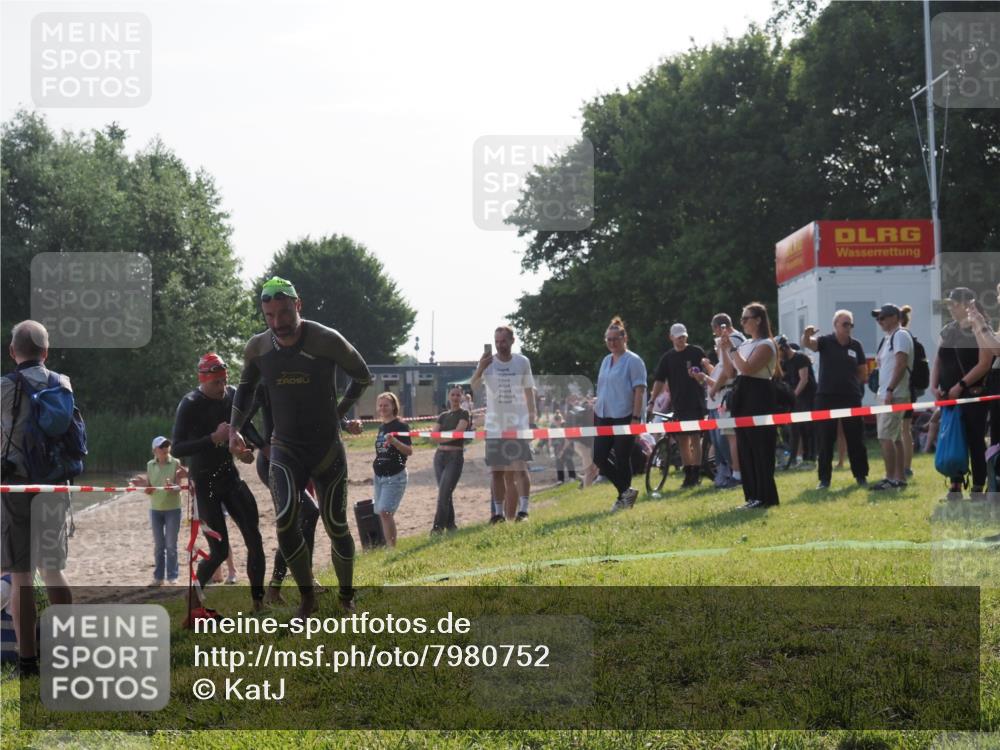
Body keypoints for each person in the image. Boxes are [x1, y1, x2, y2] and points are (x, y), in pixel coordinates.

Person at [230, 277, 371, 617]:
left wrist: (338, 412)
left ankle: (347, 597)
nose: (277, 323)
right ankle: (307, 599)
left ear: (298, 305)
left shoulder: (326, 339)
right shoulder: (257, 348)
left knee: (336, 524)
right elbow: (245, 390)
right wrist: (235, 429)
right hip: (284, 448)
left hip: (326, 448)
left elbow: (362, 376)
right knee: (284, 521)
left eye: (283, 312)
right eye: (269, 315)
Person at [0, 320, 74, 676]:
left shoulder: (4, 387)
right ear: (46, 352)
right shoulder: (63, 383)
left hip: (15, 488)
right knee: (54, 571)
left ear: (13, 352)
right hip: (53, 486)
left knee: (21, 577)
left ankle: (28, 662)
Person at [172, 352, 267, 611]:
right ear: (203, 381)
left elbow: (244, 426)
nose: (222, 388)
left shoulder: (233, 395)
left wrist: (253, 448)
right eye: (216, 383)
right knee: (219, 551)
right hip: (205, 485)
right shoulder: (190, 403)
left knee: (254, 539)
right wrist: (212, 439)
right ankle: (192, 600)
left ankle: (259, 603)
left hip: (230, 477)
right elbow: (177, 448)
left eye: (224, 381)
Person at [243, 383, 322, 605]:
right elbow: (243, 420)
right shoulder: (266, 383)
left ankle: (289, 583)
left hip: (297, 460)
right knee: (304, 513)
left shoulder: (304, 379)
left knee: (308, 514)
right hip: (272, 462)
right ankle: (279, 588)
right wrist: (263, 446)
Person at [931, 287, 994, 499]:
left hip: (972, 392)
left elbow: (984, 364)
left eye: (954, 304)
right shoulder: (948, 330)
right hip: (949, 395)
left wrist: (960, 385)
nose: (950, 308)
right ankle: (955, 484)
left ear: (967, 304)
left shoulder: (979, 327)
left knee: (975, 439)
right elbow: (938, 359)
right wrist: (935, 386)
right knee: (953, 439)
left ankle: (978, 486)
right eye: (949, 304)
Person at [471, 326, 537, 522]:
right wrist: (481, 367)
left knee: (519, 468)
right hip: (495, 424)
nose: (500, 345)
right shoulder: (488, 363)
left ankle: (523, 512)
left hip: (517, 423)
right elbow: (473, 387)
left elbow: (529, 391)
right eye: (497, 341)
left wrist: (532, 420)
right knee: (497, 472)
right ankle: (498, 514)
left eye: (503, 341)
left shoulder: (522, 361)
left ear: (512, 341)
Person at [719, 302, 780, 509]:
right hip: (743, 395)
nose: (742, 323)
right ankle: (752, 496)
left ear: (758, 320)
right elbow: (730, 373)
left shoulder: (767, 344)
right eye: (742, 319)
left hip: (759, 396)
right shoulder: (745, 345)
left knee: (760, 448)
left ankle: (766, 497)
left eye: (746, 318)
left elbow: (747, 368)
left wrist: (733, 349)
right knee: (745, 448)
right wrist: (725, 350)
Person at [801, 310, 870, 490]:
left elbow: (863, 373)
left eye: (850, 324)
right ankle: (824, 479)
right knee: (825, 439)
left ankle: (861, 476)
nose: (848, 327)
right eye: (845, 324)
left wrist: (851, 380)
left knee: (855, 438)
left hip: (850, 397)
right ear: (835, 325)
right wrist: (806, 336)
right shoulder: (825, 341)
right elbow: (809, 344)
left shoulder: (856, 346)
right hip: (826, 397)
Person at [593, 317, 647, 512]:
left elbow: (639, 390)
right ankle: (626, 491)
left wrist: (636, 417)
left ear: (624, 338)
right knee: (598, 457)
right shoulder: (606, 360)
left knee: (622, 458)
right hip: (604, 414)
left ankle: (623, 499)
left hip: (625, 414)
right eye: (608, 339)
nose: (612, 342)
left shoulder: (633, 360)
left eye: (615, 338)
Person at [650, 323, 707, 487]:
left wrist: (700, 376)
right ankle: (688, 473)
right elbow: (659, 380)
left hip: (696, 402)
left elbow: (707, 372)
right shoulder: (668, 358)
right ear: (671, 338)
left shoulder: (696, 352)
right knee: (682, 440)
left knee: (695, 438)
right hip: (679, 404)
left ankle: (696, 473)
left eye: (684, 336)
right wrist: (652, 401)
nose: (681, 340)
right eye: (678, 337)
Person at [129, 436, 188, 585]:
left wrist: (173, 486)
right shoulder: (150, 465)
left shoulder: (175, 463)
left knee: (171, 545)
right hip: (155, 509)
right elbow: (150, 490)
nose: (165, 449)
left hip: (173, 509)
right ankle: (158, 577)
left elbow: (178, 488)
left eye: (167, 446)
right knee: (159, 546)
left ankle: (173, 577)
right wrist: (142, 485)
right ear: (154, 450)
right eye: (161, 447)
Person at [869, 304, 914, 491]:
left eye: (883, 317)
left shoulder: (901, 335)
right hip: (888, 394)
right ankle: (899, 478)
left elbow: (901, 364)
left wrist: (889, 389)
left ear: (896, 317)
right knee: (894, 438)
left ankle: (890, 478)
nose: (880, 321)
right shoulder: (889, 338)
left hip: (894, 394)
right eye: (878, 318)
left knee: (885, 437)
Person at [372, 392, 412, 546]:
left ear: (394, 406)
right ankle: (388, 545)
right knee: (382, 513)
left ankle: (391, 548)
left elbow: (409, 451)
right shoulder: (382, 427)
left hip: (395, 475)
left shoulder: (400, 425)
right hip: (379, 476)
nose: (382, 408)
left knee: (385, 512)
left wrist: (395, 442)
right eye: (380, 405)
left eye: (386, 405)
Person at [430, 386, 470, 534]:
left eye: (457, 395)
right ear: (448, 396)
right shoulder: (442, 416)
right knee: (445, 492)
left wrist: (442, 437)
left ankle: (437, 528)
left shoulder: (464, 413)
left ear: (462, 397)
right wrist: (447, 436)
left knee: (444, 493)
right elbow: (433, 436)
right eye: (452, 395)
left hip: (455, 457)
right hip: (439, 457)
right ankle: (451, 526)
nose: (455, 398)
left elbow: (459, 433)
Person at [777, 337, 816, 469]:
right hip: (794, 400)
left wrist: (792, 396)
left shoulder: (801, 358)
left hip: (807, 398)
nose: (779, 356)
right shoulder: (783, 362)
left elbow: (803, 380)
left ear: (784, 348)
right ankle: (797, 458)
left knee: (807, 429)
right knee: (794, 430)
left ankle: (811, 457)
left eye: (779, 352)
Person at [550, 411, 577, 484]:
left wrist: (562, 450)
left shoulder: (565, 426)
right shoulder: (552, 427)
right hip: (558, 447)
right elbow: (551, 439)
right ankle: (560, 479)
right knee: (558, 462)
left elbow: (567, 440)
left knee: (568, 461)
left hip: (568, 446)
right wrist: (552, 450)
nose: (556, 424)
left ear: (560, 420)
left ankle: (572, 477)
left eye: (557, 422)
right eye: (555, 422)